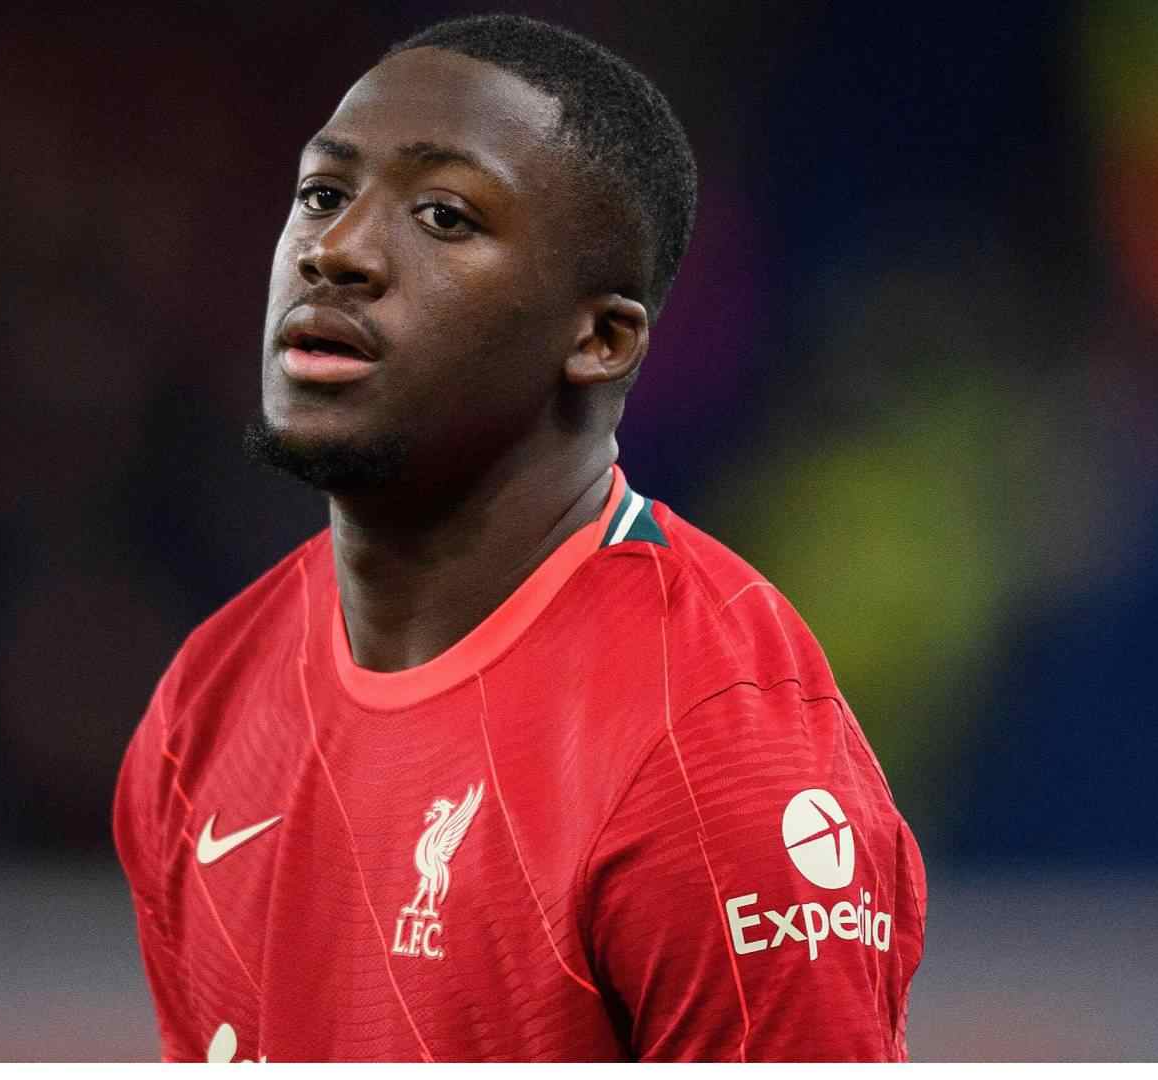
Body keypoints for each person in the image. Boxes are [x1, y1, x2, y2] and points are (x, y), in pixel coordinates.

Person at [113, 13, 925, 1062]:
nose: (337, 250)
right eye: (322, 193)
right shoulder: (205, 708)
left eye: (443, 216)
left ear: (600, 339)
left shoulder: (713, 755)